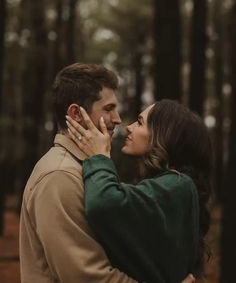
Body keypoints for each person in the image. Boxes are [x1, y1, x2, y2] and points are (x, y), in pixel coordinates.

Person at [20, 63, 195, 283]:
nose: (118, 119)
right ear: (76, 113)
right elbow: (87, 276)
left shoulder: (84, 168)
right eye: (108, 108)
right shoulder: (60, 175)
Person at [66, 99, 213, 283]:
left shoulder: (179, 185)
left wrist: (99, 157)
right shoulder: (168, 188)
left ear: (163, 135)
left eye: (140, 122)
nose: (129, 127)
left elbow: (103, 203)